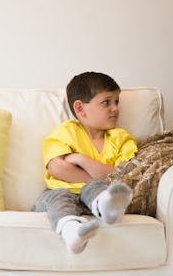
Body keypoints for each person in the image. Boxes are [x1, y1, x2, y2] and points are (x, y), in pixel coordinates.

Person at [32, 72, 138, 254]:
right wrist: (101, 174)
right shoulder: (66, 132)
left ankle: (106, 206)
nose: (115, 108)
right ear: (80, 109)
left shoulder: (121, 138)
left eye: (117, 101)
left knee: (97, 187)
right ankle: (72, 231)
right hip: (58, 194)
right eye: (107, 102)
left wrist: (81, 159)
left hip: (94, 195)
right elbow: (57, 168)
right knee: (61, 197)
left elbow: (120, 174)